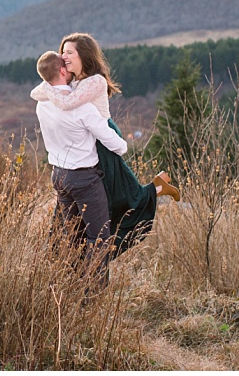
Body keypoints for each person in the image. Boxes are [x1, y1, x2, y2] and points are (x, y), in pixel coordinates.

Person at [31, 32, 180, 257]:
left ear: (84, 55)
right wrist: (49, 85)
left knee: (120, 199)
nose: (65, 56)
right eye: (63, 52)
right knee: (104, 203)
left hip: (104, 139)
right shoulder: (72, 81)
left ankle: (155, 190)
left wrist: (49, 87)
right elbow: (35, 92)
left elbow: (66, 101)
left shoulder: (94, 81)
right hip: (89, 140)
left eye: (70, 52)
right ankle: (157, 187)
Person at [34, 51, 127, 289]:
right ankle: (93, 293)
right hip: (84, 178)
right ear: (63, 71)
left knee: (72, 233)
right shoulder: (82, 108)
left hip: (59, 176)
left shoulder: (42, 105)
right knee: (98, 237)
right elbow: (114, 142)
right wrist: (122, 145)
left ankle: (68, 285)